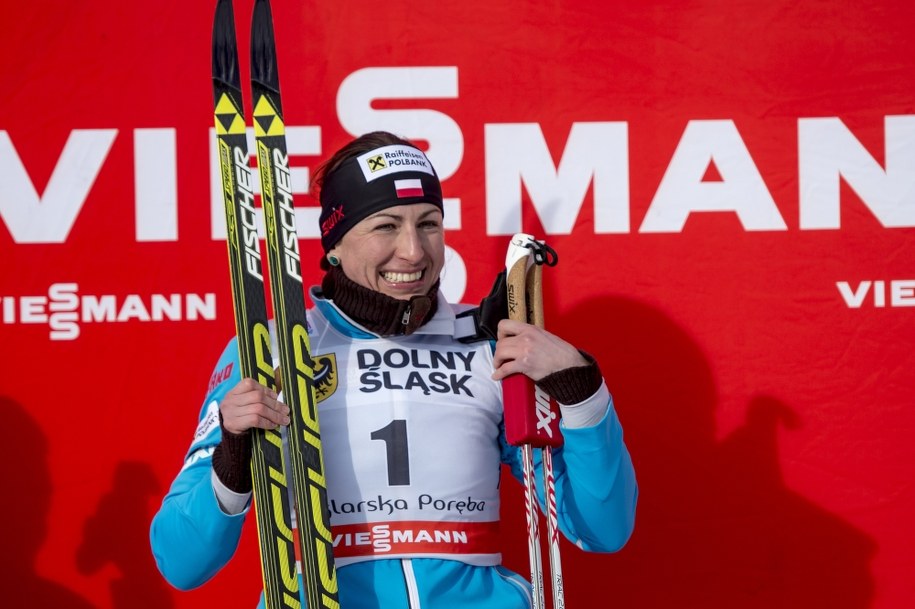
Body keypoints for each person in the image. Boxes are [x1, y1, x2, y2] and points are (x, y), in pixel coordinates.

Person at [150, 131, 638, 608]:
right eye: (386, 225)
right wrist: (234, 456)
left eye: (428, 223)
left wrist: (584, 395)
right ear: (335, 242)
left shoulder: (490, 345)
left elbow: (602, 529)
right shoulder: (271, 350)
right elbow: (182, 562)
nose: (413, 251)